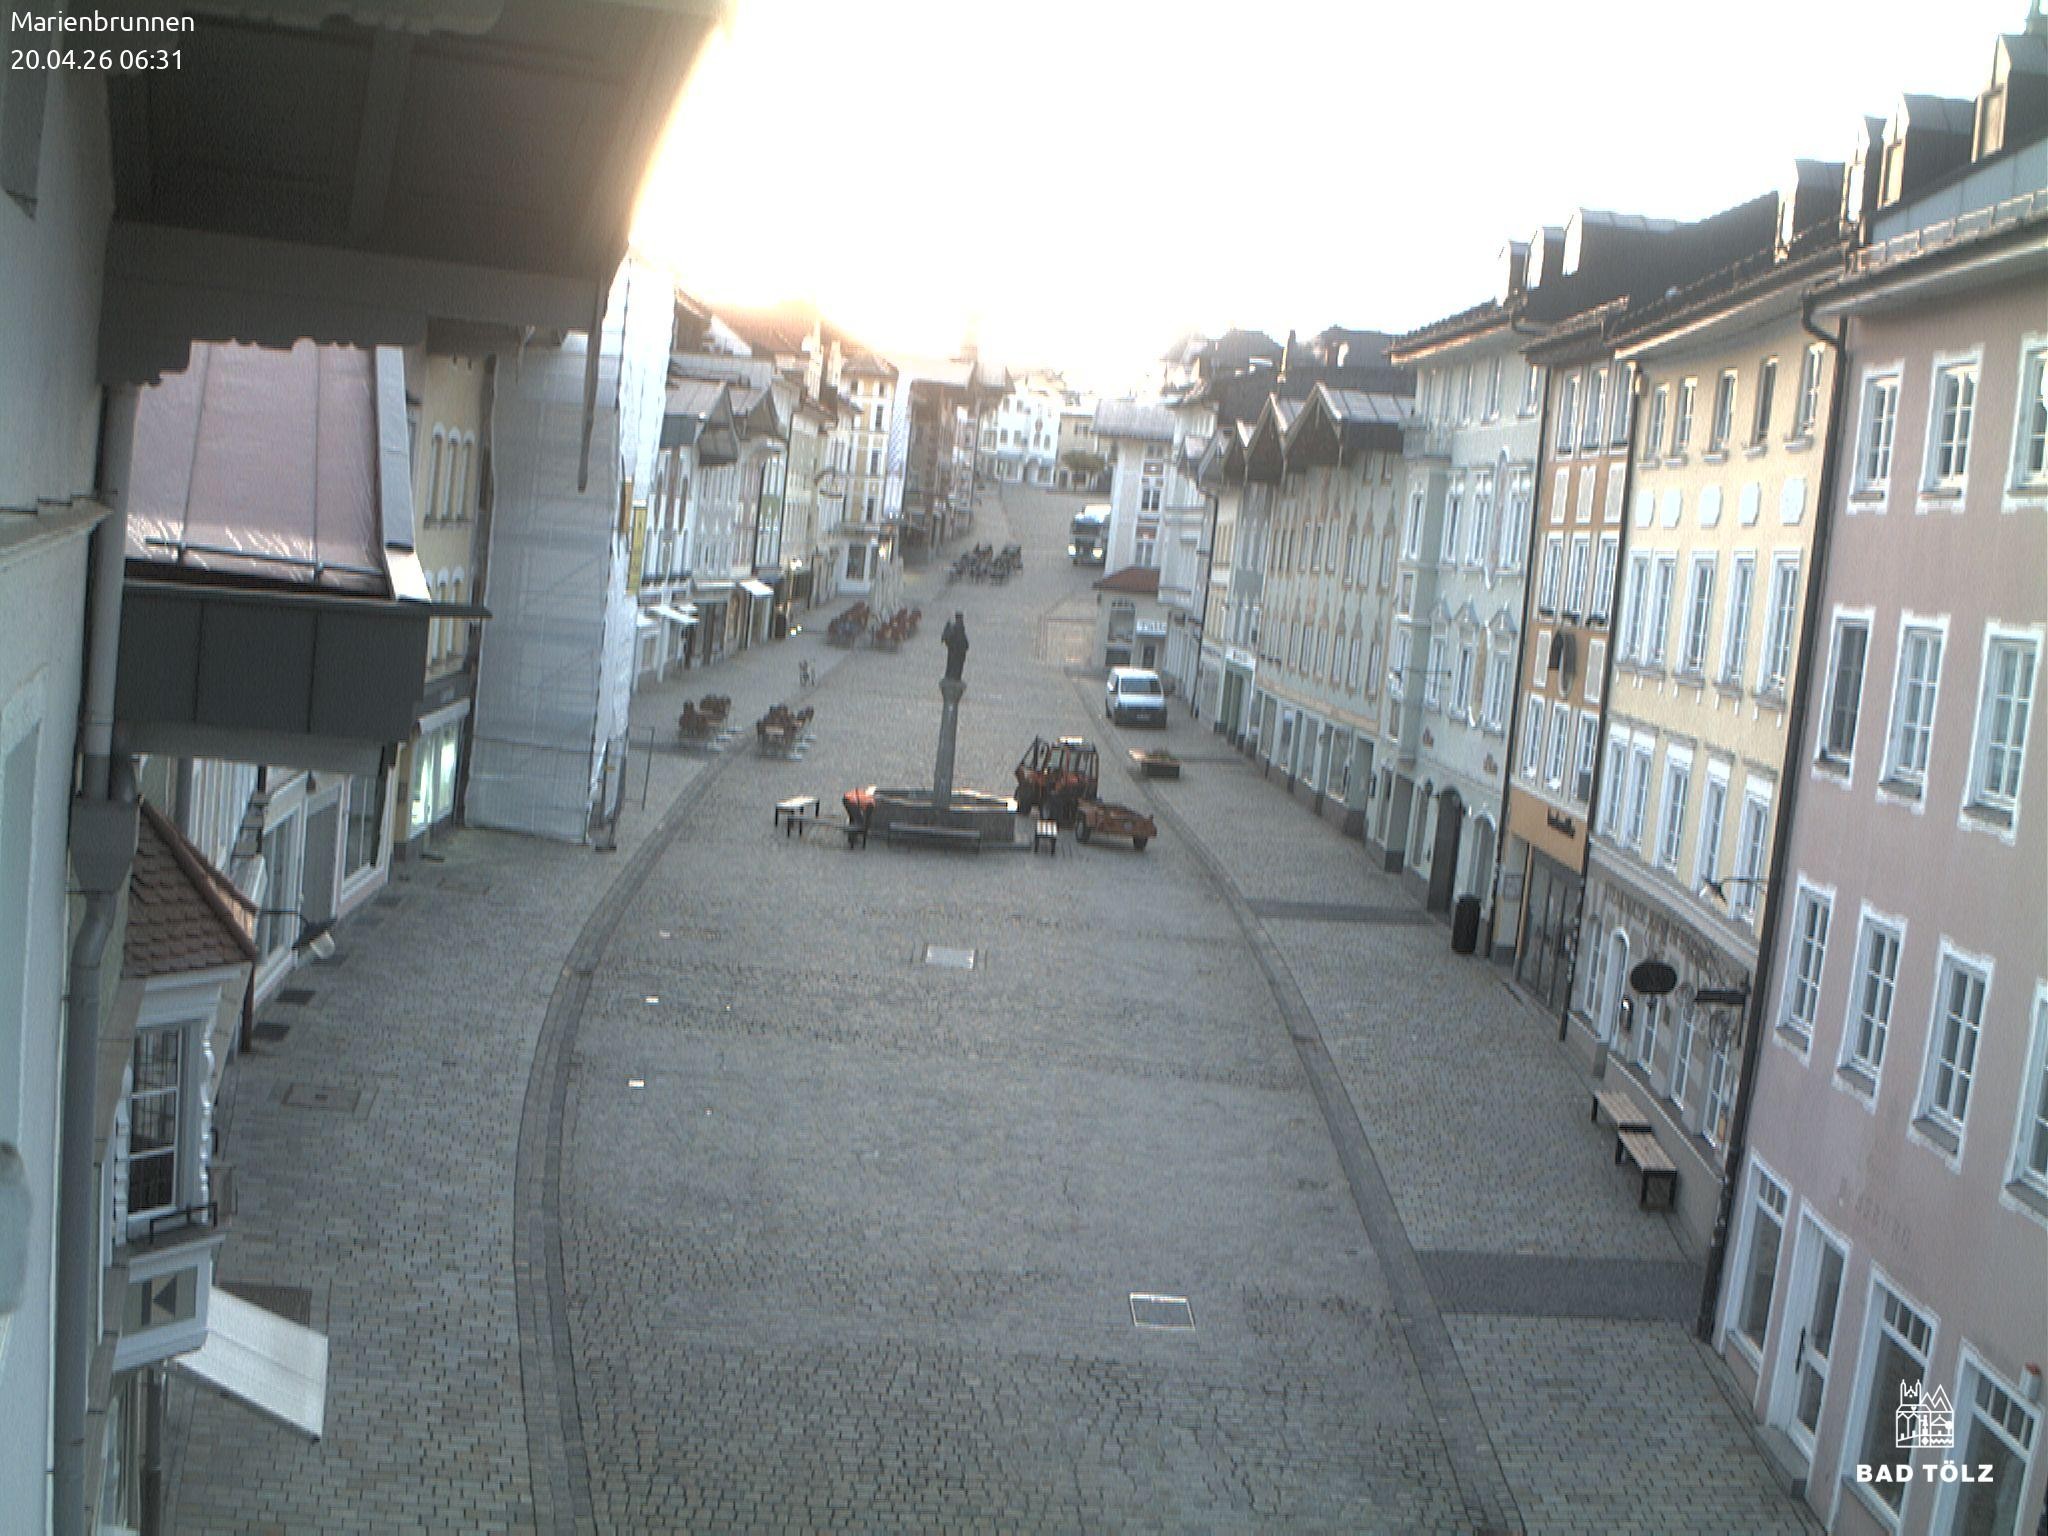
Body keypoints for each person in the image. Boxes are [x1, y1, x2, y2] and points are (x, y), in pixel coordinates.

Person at [940, 611, 969, 682]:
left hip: (958, 651)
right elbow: (959, 639)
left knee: (955, 665)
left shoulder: (958, 627)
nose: (961, 619)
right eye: (960, 618)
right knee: (955, 665)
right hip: (957, 651)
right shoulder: (957, 627)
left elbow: (962, 638)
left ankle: (953, 677)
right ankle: (953, 677)